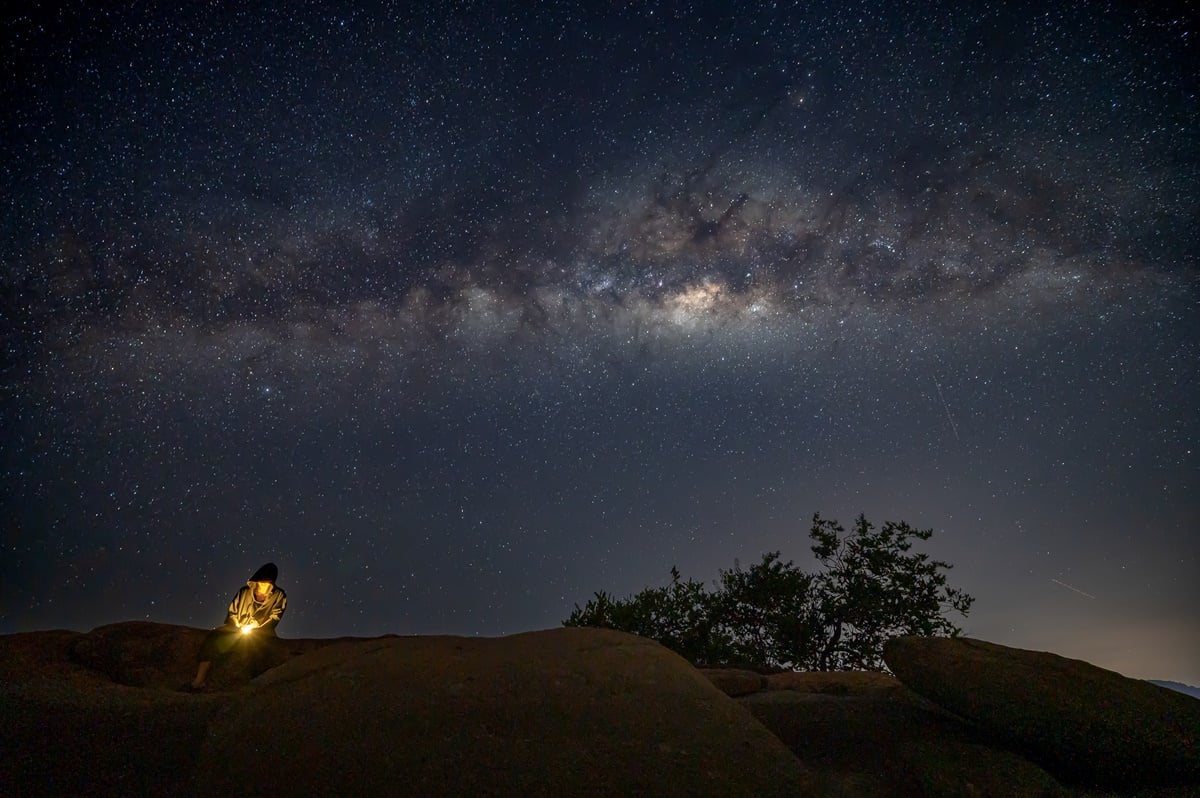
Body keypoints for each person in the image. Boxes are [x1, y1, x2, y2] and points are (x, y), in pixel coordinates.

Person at [187, 562, 288, 691]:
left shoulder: (279, 596)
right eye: (261, 583)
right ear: (255, 582)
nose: (263, 587)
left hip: (262, 633)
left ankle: (253, 686)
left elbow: (275, 617)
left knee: (259, 650)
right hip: (237, 629)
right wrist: (237, 624)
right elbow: (232, 612)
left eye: (267, 584)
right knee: (214, 638)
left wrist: (257, 626)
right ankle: (199, 680)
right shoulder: (244, 592)